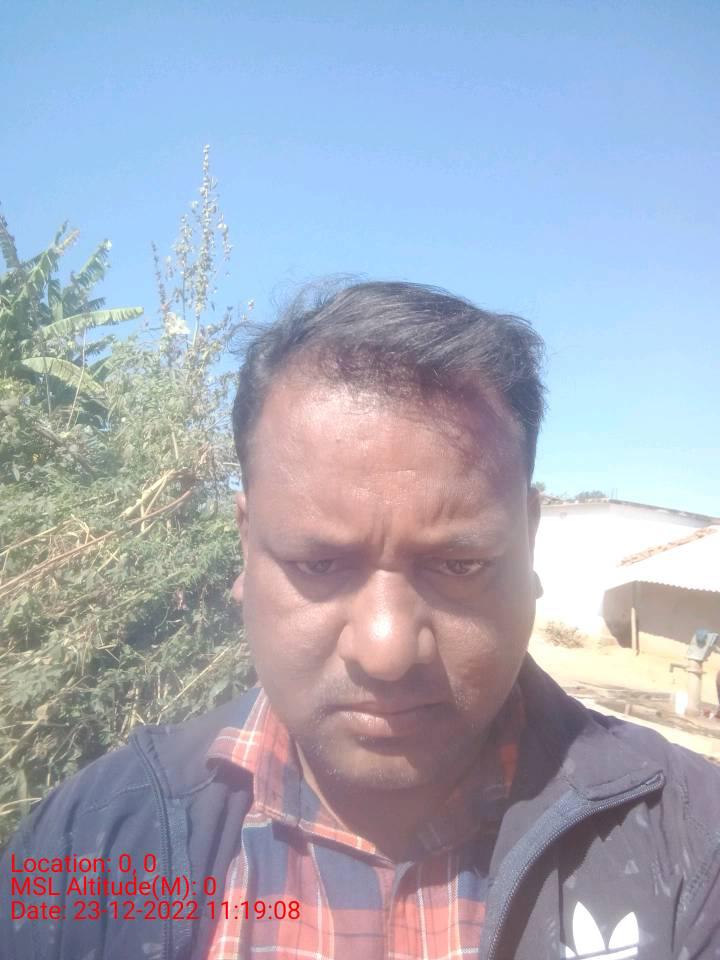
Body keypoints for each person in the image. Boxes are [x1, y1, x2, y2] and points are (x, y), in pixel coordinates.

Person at [2, 281, 719, 960]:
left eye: (459, 564)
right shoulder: (86, 848)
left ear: (529, 539)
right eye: (318, 564)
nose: (386, 648)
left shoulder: (693, 847)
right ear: (247, 546)